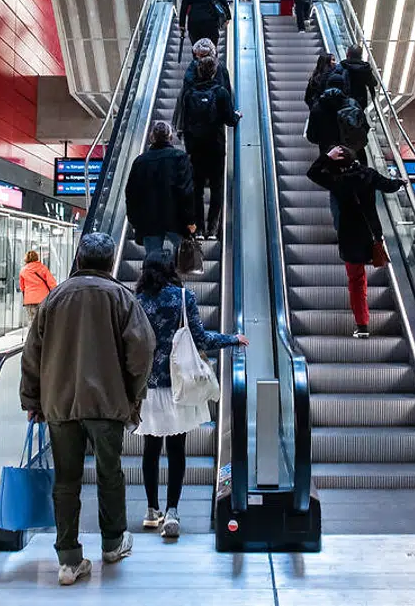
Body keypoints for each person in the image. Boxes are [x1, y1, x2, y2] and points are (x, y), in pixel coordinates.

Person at [21, 232, 156, 586]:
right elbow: (142, 352)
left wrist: (32, 400)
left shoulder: (55, 298)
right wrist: (133, 395)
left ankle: (68, 559)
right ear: (111, 262)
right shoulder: (122, 298)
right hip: (107, 404)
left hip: (60, 404)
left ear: (79, 260)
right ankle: (112, 543)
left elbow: (32, 354)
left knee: (66, 481)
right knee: (110, 474)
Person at [133, 257, 246, 539]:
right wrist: (232, 339)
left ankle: (151, 510)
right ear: (171, 270)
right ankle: (172, 511)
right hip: (178, 384)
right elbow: (200, 339)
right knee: (176, 450)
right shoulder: (183, 297)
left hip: (148, 386)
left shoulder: (136, 301)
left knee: (150, 449)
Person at [307, 146, 405, 338]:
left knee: (356, 281)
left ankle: (362, 325)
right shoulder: (368, 174)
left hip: (350, 238)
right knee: (360, 277)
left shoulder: (337, 181)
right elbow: (389, 185)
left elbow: (313, 172)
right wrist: (401, 182)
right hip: (370, 235)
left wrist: (327, 156)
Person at [179, 56, 240, 238]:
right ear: (214, 72)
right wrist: (237, 116)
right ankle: (213, 228)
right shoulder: (221, 92)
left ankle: (198, 229)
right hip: (215, 146)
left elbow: (185, 121)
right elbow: (229, 120)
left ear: (198, 71)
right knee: (216, 186)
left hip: (195, 148)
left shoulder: (189, 94)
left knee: (196, 189)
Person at [125, 121, 196, 262]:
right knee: (183, 260)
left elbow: (131, 194)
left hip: (149, 221)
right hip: (176, 220)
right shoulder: (180, 157)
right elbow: (186, 191)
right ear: (170, 137)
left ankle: (154, 281)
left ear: (152, 137)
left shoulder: (140, 161)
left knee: (153, 260)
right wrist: (190, 220)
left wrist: (134, 221)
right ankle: (175, 281)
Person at [18, 249, 58, 322]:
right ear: (37, 257)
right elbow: (52, 283)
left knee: (31, 321)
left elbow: (22, 287)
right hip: (43, 299)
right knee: (43, 321)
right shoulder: (43, 268)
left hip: (29, 300)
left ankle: (32, 333)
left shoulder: (23, 270)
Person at [339, 45, 375, 109]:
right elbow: (373, 83)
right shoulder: (365, 68)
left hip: (344, 99)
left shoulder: (342, 66)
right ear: (360, 56)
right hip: (360, 101)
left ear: (348, 54)